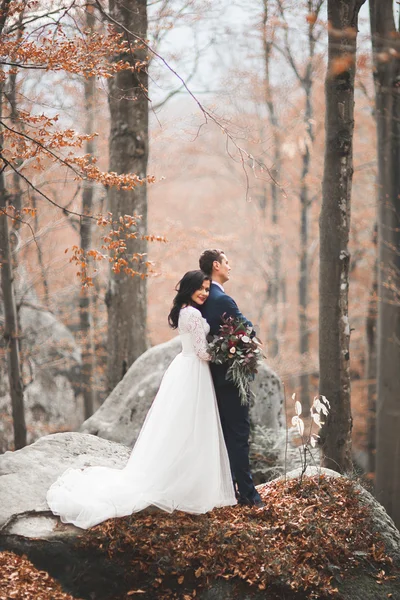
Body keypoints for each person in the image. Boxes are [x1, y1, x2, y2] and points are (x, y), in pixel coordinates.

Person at [46, 270, 236, 529]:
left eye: (206, 288)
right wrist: (227, 351)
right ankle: (187, 484)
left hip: (186, 368)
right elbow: (202, 352)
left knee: (183, 425)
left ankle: (186, 479)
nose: (204, 292)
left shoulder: (184, 310)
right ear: (189, 288)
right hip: (193, 370)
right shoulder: (191, 314)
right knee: (192, 425)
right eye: (201, 288)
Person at [199, 249, 264, 508]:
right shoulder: (220, 299)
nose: (230, 267)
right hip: (229, 377)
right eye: (227, 262)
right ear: (216, 265)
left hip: (212, 377)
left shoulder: (201, 297)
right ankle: (248, 495)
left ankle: (229, 489)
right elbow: (246, 329)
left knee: (224, 435)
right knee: (238, 434)